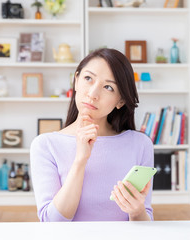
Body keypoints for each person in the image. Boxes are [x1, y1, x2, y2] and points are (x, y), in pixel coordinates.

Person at [30, 48, 154, 222]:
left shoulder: (140, 144)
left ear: (120, 101)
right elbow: (52, 222)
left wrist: (136, 211)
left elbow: (145, 222)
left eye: (108, 87)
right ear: (76, 80)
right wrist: (81, 159)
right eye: (88, 79)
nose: (93, 94)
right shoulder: (45, 145)